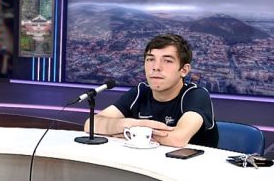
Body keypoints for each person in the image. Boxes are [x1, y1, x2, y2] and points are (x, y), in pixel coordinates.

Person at [89, 34, 218, 148]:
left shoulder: (196, 95)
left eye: (167, 61)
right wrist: (134, 124)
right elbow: (91, 124)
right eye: (151, 59)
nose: (156, 67)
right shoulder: (140, 92)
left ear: (184, 70)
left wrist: (128, 131)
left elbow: (177, 139)